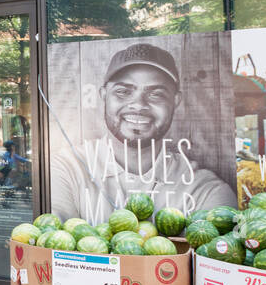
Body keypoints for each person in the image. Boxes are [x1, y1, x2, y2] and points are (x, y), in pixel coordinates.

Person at [50, 42, 235, 221]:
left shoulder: (204, 189)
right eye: (123, 91)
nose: (138, 105)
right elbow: (54, 244)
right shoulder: (67, 169)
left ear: (176, 101)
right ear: (104, 95)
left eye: (156, 94)